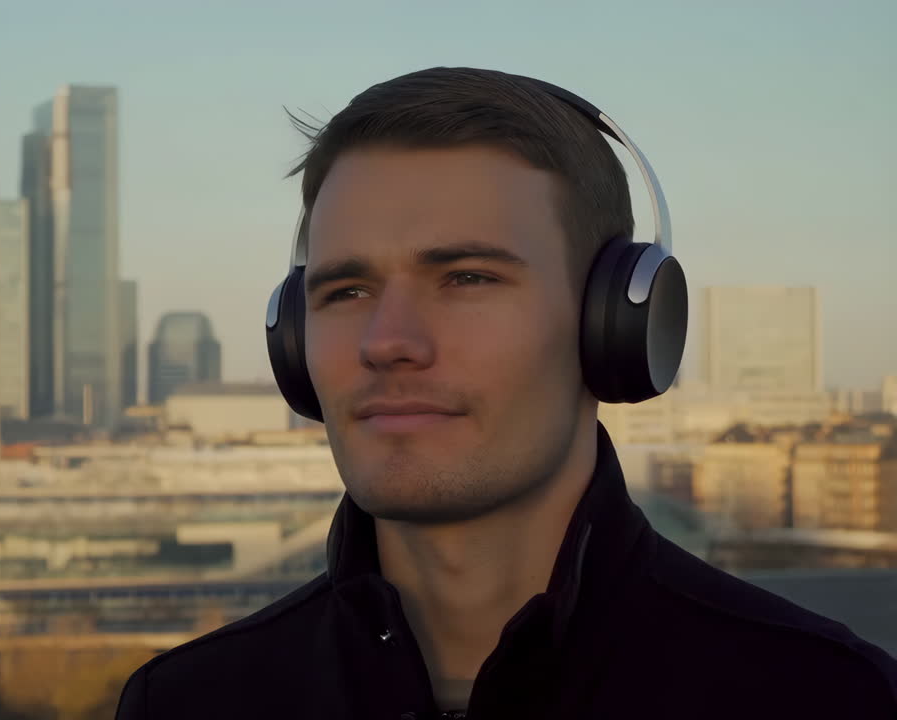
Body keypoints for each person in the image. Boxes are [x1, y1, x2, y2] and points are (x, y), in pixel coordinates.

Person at [113, 67, 897, 719]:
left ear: (616, 325)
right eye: (346, 290)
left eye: (466, 278)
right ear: (292, 339)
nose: (387, 341)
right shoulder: (190, 702)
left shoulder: (826, 698)